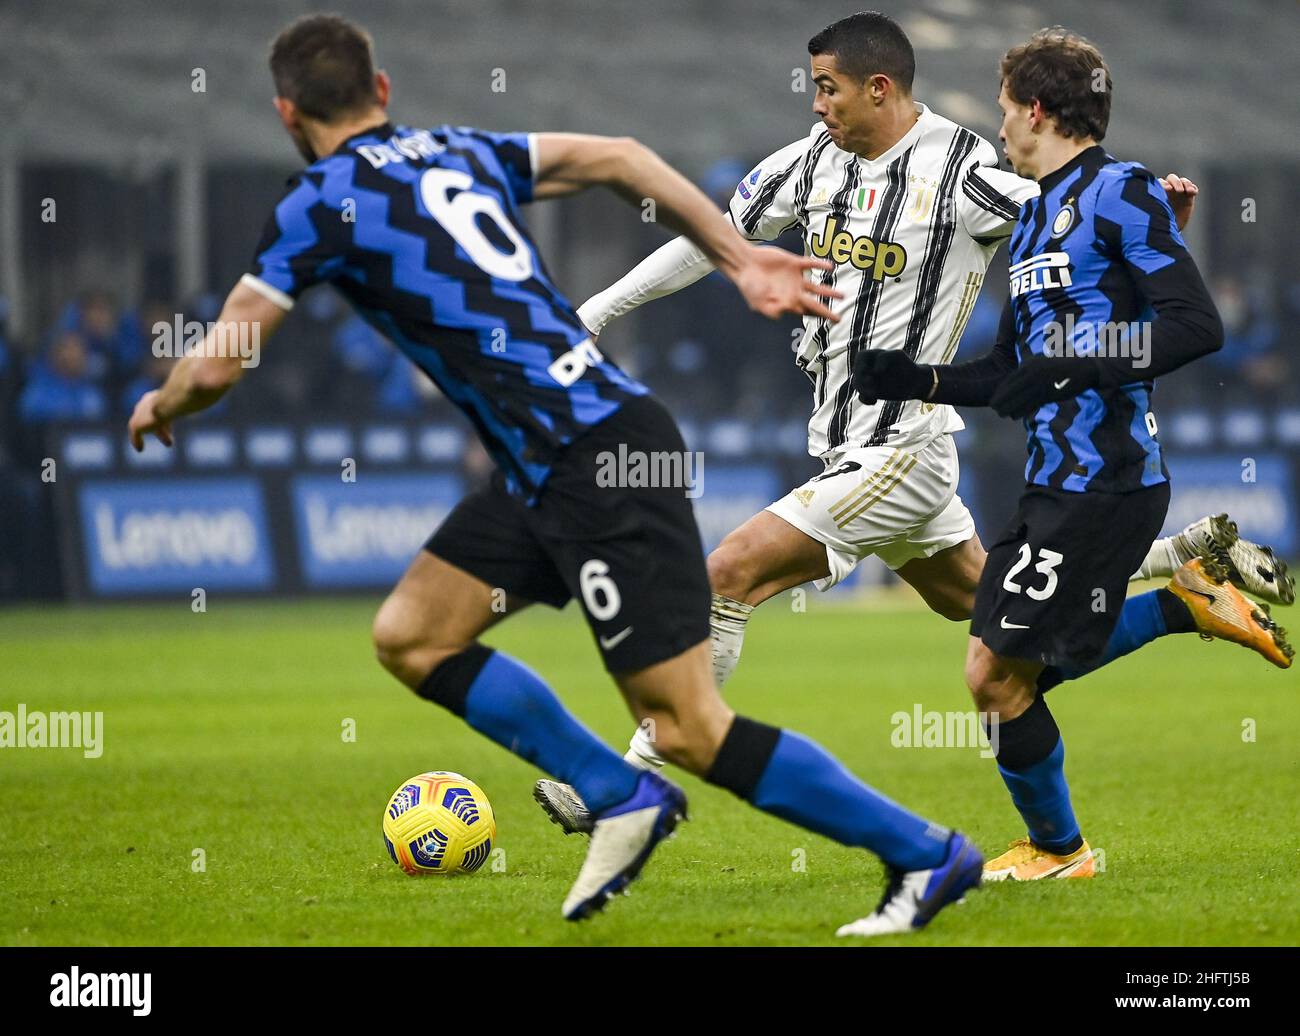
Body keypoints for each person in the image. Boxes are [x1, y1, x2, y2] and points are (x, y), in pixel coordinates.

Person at [127, 13, 982, 935]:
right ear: (380, 93)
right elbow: (619, 157)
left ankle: (926, 853)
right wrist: (742, 261)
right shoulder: (452, 150)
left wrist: (164, 402)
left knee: (691, 729)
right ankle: (620, 794)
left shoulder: (315, 202)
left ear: (286, 114)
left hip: (593, 458)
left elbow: (221, 361)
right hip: (548, 459)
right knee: (413, 635)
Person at [533, 12, 1292, 855]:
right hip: (851, 441)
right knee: (994, 617)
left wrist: (1156, 218)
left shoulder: (967, 169)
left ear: (879, 88)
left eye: (827, 87)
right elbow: (717, 239)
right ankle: (1180, 583)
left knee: (727, 574)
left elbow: (1072, 211)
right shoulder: (807, 162)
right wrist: (593, 313)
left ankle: (631, 788)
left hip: (902, 447)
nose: (816, 103)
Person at [850, 26, 1291, 880]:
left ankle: (1060, 851)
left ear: (1040, 111)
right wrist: (916, 378)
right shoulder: (1028, 223)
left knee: (993, 677)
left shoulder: (1124, 191)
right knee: (1013, 672)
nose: (1002, 130)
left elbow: (1196, 327)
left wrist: (1075, 363)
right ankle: (1181, 604)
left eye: (1008, 111)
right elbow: (1013, 373)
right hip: (1051, 483)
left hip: (1110, 480)